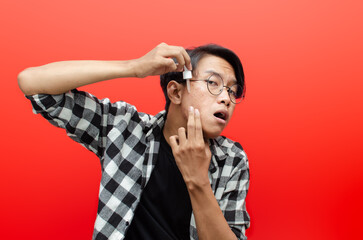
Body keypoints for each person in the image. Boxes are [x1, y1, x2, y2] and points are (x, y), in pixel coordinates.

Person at [18, 42, 250, 240]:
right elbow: (32, 83)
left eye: (232, 90)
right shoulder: (125, 128)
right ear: (176, 92)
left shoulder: (232, 160)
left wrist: (198, 180)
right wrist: (134, 67)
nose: (226, 98)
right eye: (213, 83)